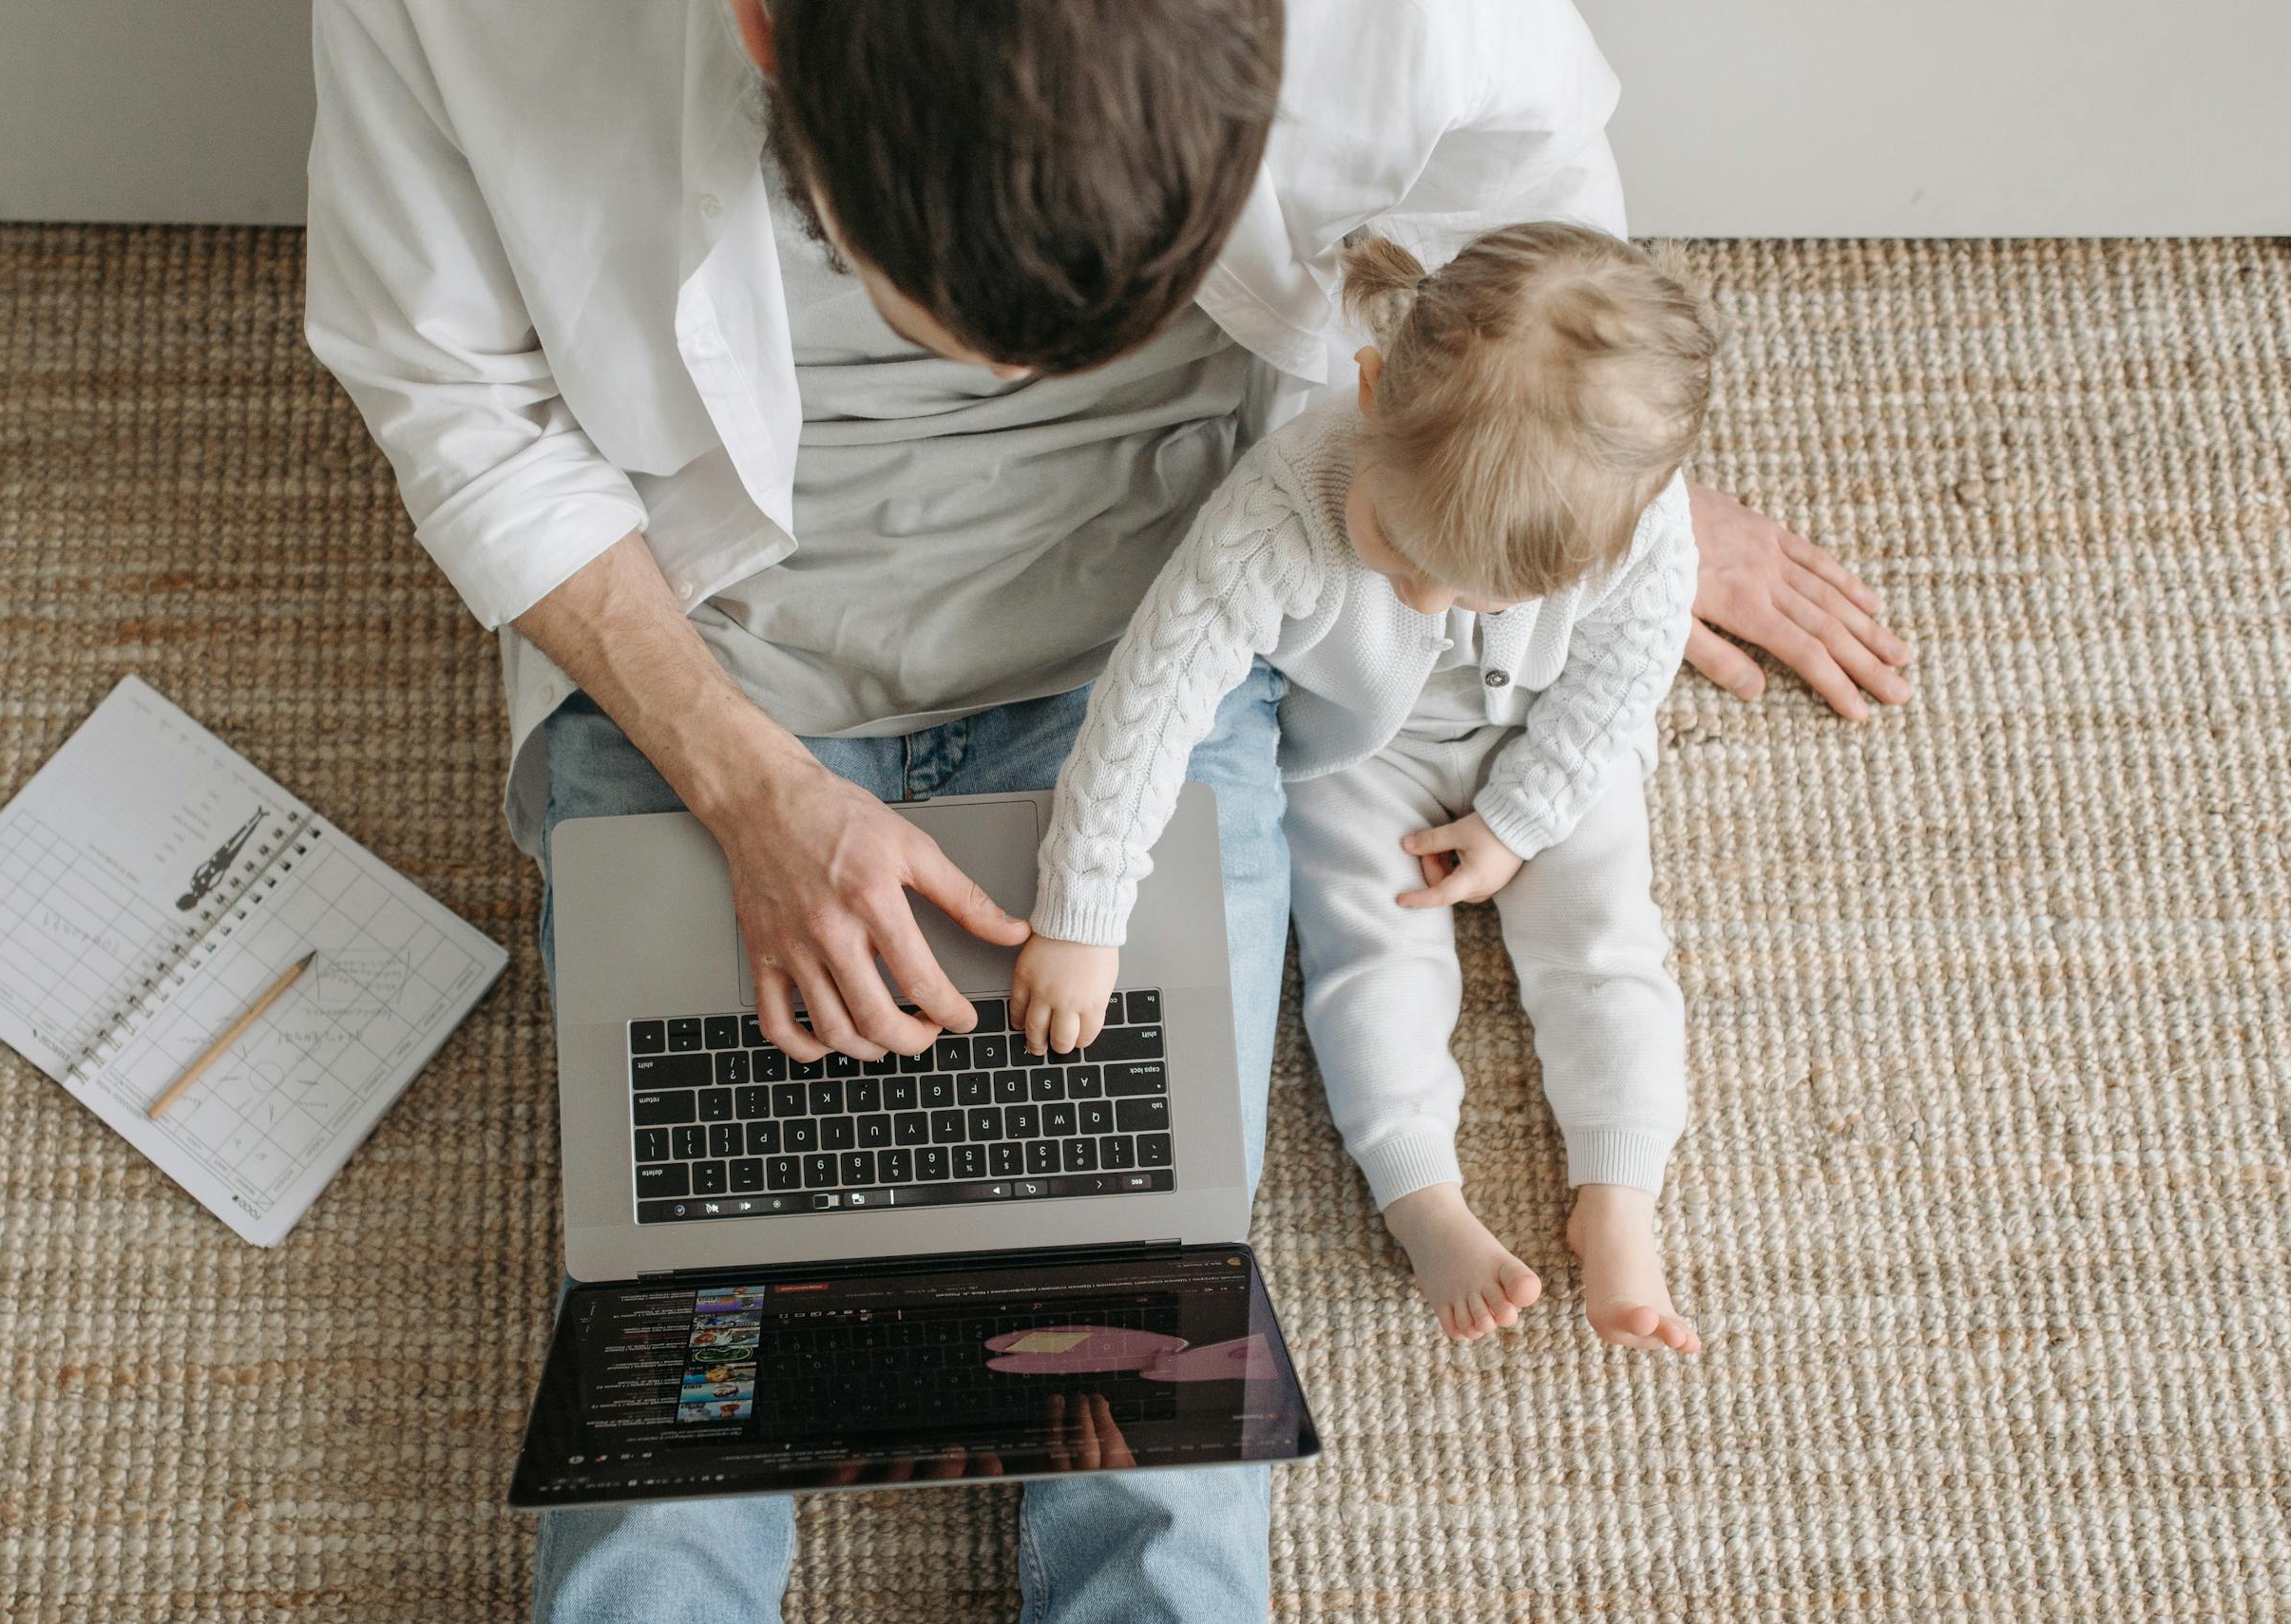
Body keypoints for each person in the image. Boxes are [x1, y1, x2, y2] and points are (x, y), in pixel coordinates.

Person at [304, 2, 1911, 1616]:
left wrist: (1571, 489)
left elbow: (1518, 195)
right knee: (689, 1340)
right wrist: (743, 786)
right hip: (706, 648)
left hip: (1155, 642)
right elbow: (459, 407)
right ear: (767, 34)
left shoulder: (1412, 24)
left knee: (1147, 1320)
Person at [1018, 221, 1712, 1351]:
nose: (1430, 604)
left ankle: (1619, 1193)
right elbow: (1150, 702)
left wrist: (1519, 818)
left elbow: (1626, 675)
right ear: (1372, 386)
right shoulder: (1277, 512)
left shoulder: (1639, 525)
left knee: (1609, 940)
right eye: (1398, 548)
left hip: (1554, 737)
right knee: (1367, 952)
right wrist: (1084, 913)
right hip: (1360, 753)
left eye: (1478, 596)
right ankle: (1420, 1192)